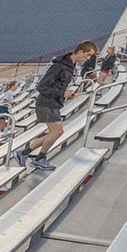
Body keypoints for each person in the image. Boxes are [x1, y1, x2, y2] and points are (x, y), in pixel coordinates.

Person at [15, 40, 98, 171]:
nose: (88, 59)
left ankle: (24, 154)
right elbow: (42, 86)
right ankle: (39, 159)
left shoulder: (70, 65)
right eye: (87, 55)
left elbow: (58, 86)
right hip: (46, 103)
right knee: (57, 131)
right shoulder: (60, 66)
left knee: (54, 133)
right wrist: (62, 93)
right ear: (80, 51)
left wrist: (66, 93)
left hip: (53, 102)